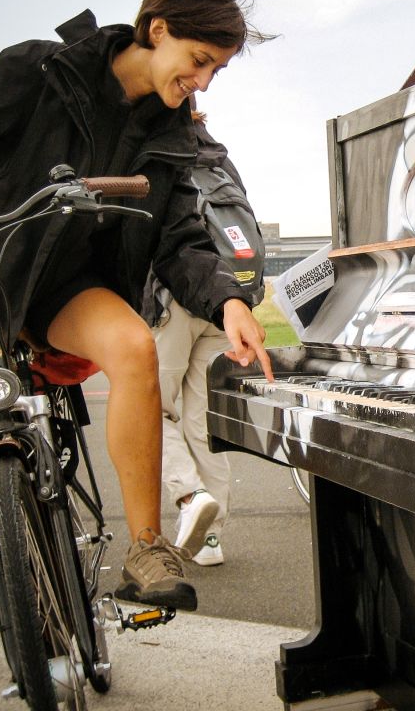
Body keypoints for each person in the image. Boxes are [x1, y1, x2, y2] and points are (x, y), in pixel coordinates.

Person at [0, 0, 274, 709]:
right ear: (157, 29)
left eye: (215, 68)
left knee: (134, 347)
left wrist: (231, 303)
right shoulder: (42, 74)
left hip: (61, 292)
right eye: (201, 59)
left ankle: (147, 549)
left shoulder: (174, 139)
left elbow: (183, 241)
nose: (204, 81)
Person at [147, 112, 263, 566]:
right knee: (201, 423)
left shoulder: (157, 150)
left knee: (150, 407)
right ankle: (211, 540)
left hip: (173, 299)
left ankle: (190, 496)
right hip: (225, 303)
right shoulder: (219, 160)